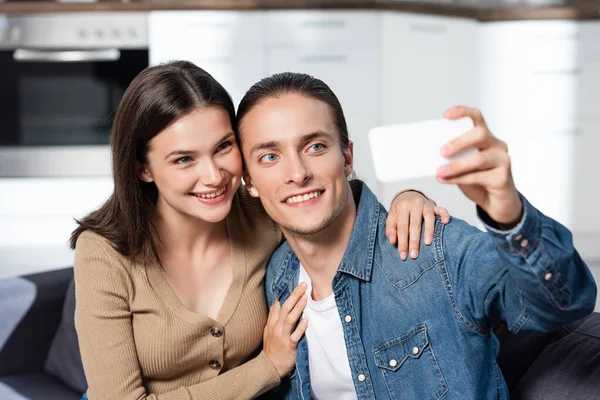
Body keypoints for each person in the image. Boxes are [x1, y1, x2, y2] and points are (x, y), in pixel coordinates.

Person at [70, 61, 449, 400]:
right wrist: (267, 367)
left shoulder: (260, 213)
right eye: (184, 159)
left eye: (223, 147)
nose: (214, 176)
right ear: (144, 168)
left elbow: (328, 196)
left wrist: (409, 199)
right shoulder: (103, 252)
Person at [236, 72, 598, 400]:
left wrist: (511, 216)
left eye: (315, 147)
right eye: (270, 156)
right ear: (249, 182)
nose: (297, 173)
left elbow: (563, 305)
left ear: (346, 157)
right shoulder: (277, 275)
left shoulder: (431, 247)